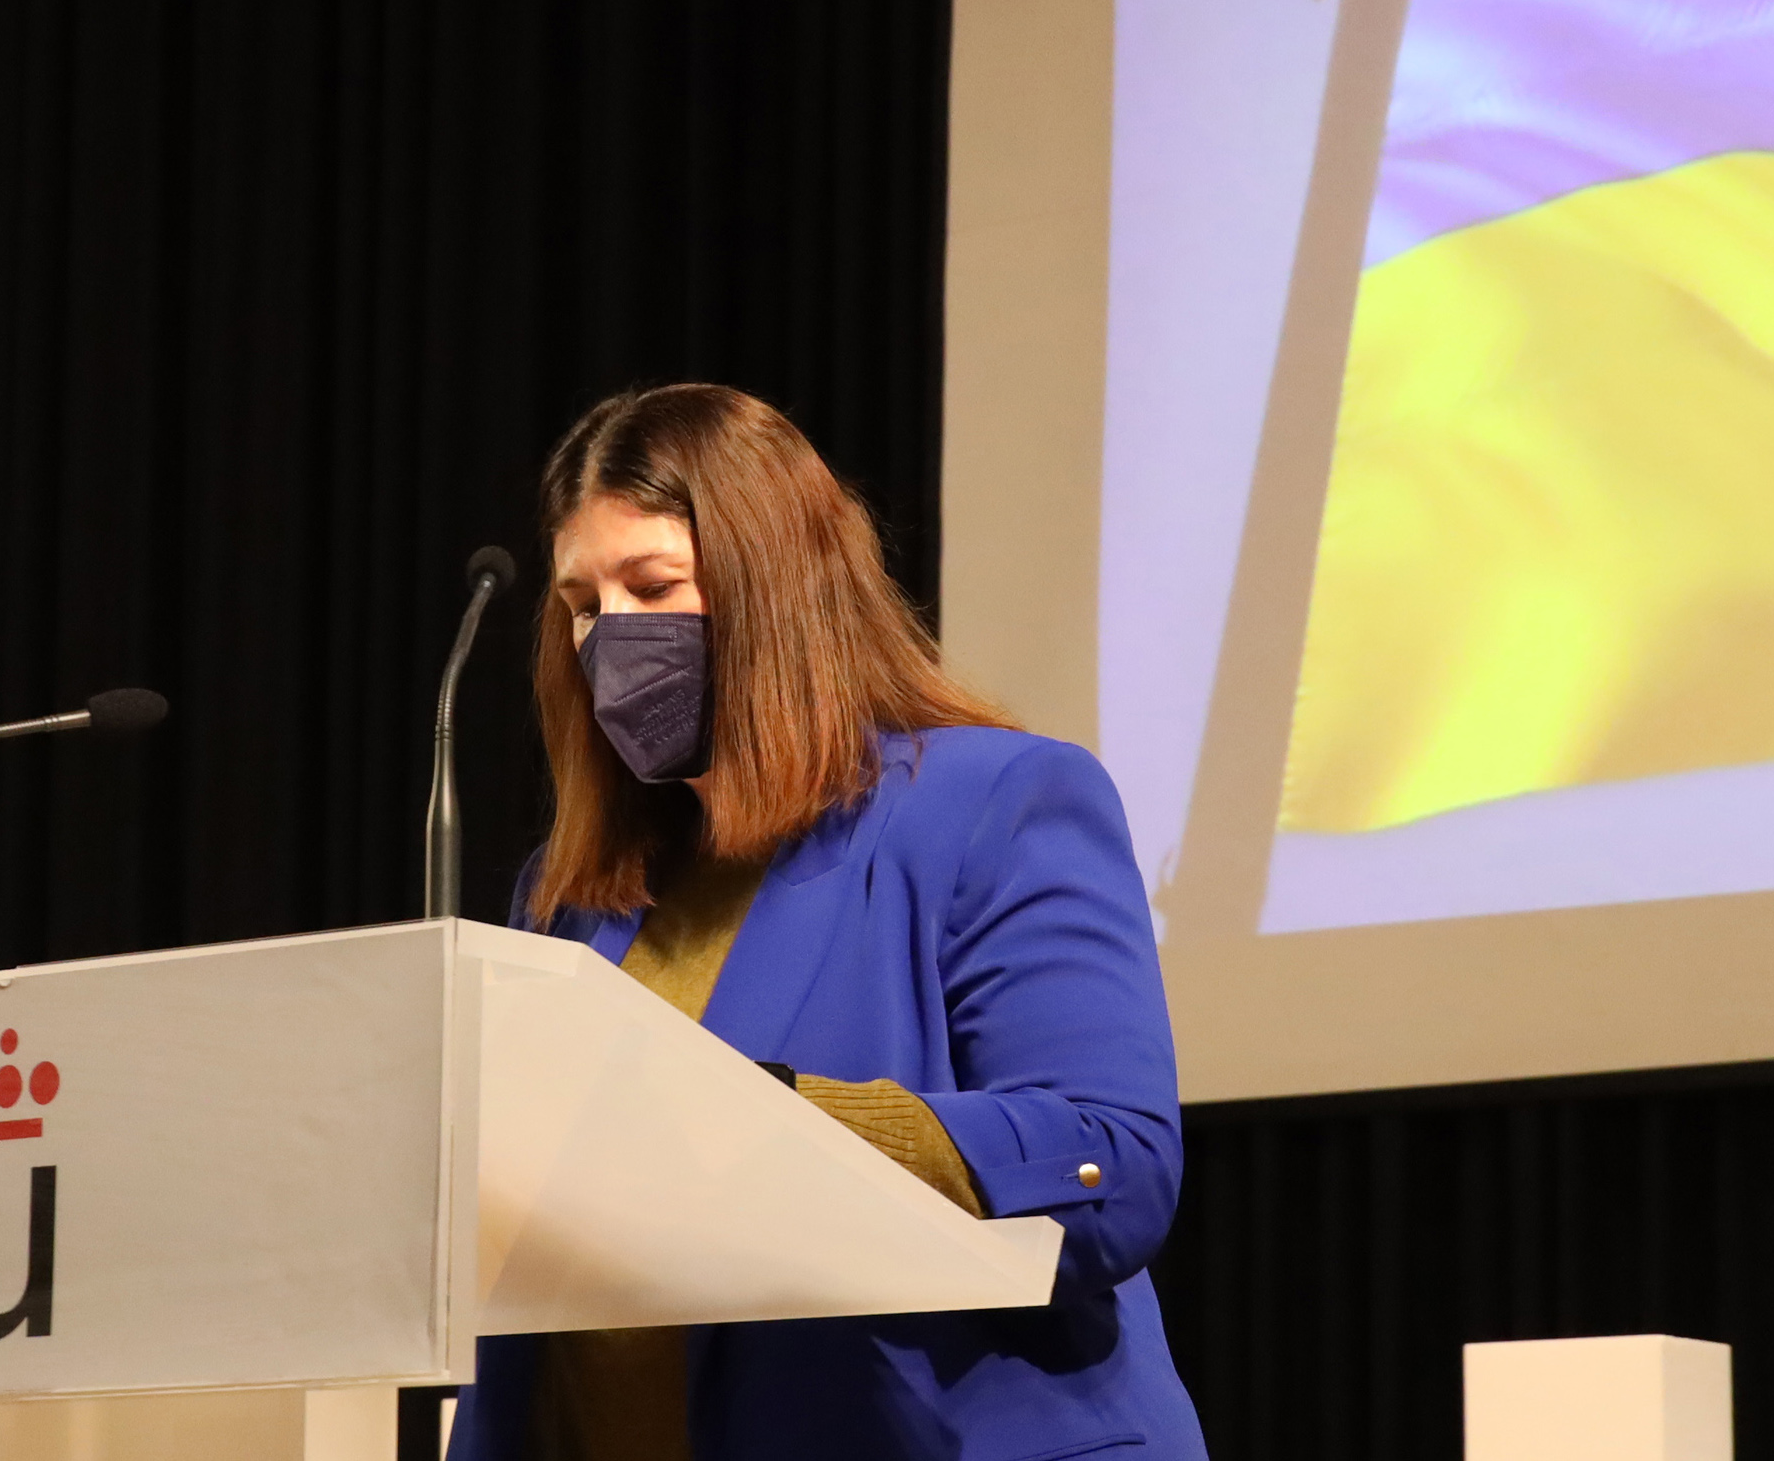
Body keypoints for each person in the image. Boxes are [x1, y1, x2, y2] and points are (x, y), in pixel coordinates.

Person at [448, 384, 1208, 1461]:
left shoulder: (994, 802)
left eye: (652, 586)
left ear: (773, 585)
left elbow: (1112, 1161)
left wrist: (779, 1122)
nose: (610, 633)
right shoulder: (567, 894)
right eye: (582, 603)